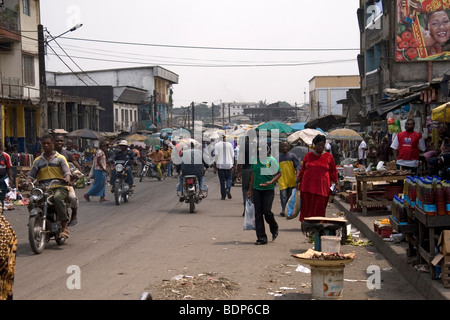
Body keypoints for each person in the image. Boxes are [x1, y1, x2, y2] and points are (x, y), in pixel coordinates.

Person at [26, 134, 72, 238]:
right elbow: (31, 175)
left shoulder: (60, 158)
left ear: (52, 144)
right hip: (43, 189)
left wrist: (67, 178)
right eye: (44, 144)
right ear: (41, 145)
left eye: (48, 143)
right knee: (32, 201)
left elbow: (66, 171)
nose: (46, 145)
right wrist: (27, 181)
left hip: (58, 187)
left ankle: (65, 226)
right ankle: (36, 220)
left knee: (57, 199)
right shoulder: (37, 160)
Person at [296, 134, 340, 222]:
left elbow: (333, 172)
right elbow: (303, 169)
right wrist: (297, 181)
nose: (320, 147)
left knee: (320, 207)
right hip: (307, 186)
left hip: (322, 187)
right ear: (314, 145)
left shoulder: (329, 156)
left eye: (322, 146)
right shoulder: (308, 156)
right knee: (307, 206)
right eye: (318, 145)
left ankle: (318, 224)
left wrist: (336, 183)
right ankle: (308, 224)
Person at [246, 144, 281, 245]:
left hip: (268, 189)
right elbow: (253, 174)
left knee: (267, 211)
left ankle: (274, 226)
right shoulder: (254, 160)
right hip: (257, 189)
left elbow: (279, 173)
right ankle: (261, 238)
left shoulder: (271, 160)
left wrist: (271, 182)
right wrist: (250, 189)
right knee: (258, 213)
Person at [54, 134, 82, 226]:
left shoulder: (68, 154)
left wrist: (72, 182)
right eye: (57, 141)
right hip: (50, 182)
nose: (59, 142)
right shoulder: (48, 154)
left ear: (63, 142)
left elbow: (78, 170)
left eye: (61, 141)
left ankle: (74, 214)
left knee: (72, 198)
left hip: (65, 183)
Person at [278, 141, 300, 217]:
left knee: (290, 196)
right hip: (282, 180)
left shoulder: (292, 156)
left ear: (289, 147)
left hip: (291, 180)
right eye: (283, 146)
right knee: (283, 196)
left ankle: (289, 210)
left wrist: (297, 176)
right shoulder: (278, 157)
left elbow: (297, 167)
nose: (284, 148)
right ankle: (284, 210)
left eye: (286, 146)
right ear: (280, 148)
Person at [237, 136, 255, 216]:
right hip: (255, 169)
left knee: (245, 189)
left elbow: (240, 158)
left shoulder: (243, 146)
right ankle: (253, 209)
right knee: (254, 189)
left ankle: (246, 209)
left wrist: (238, 172)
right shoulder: (256, 145)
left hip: (246, 169)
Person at [213, 135, 234, 200]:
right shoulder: (230, 145)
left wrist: (215, 165)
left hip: (220, 165)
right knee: (229, 178)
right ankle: (228, 188)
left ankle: (223, 195)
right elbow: (232, 155)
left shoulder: (217, 145)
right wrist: (234, 164)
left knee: (222, 180)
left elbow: (216, 156)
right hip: (228, 164)